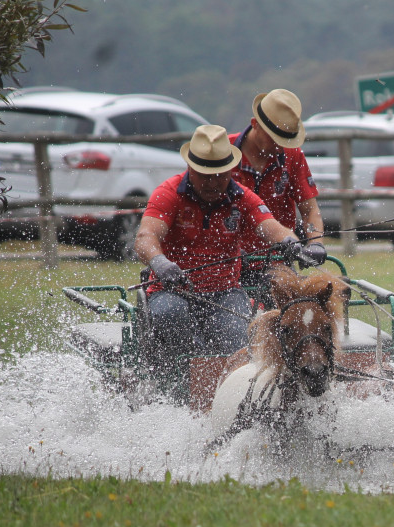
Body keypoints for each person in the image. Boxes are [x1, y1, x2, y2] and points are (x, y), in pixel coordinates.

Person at [134, 123, 309, 371]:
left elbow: (271, 226)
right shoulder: (168, 193)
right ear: (190, 168)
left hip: (225, 293)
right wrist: (160, 262)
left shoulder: (242, 197)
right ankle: (176, 380)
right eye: (205, 175)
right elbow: (145, 236)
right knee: (169, 314)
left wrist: (289, 240)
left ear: (231, 171)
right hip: (171, 291)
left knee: (237, 334)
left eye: (220, 175)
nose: (213, 183)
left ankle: (224, 388)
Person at [228, 89, 326, 297]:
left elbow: (310, 210)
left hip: (278, 263)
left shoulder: (293, 156)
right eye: (274, 139)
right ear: (255, 124)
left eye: (285, 141)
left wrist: (315, 243)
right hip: (226, 266)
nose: (281, 147)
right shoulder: (222, 153)